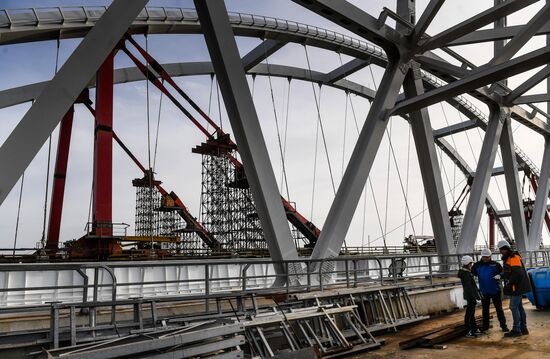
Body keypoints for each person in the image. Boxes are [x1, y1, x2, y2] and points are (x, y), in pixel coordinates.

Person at [497, 240, 532, 338]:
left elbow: (517, 273)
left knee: (513, 307)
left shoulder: (514, 257)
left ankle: (517, 329)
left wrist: (509, 284)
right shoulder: (508, 258)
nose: (501, 251)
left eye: (502, 249)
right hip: (517, 286)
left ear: (506, 248)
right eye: (500, 250)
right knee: (519, 307)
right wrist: (501, 275)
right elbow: (510, 272)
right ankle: (523, 328)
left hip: (516, 287)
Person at [472, 248, 509, 332]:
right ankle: (485, 326)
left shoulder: (495, 265)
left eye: (487, 257)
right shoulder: (477, 265)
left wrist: (500, 275)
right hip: (484, 291)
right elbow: (471, 272)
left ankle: (503, 326)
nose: (485, 258)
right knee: (485, 310)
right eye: (484, 257)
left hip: (495, 290)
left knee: (499, 309)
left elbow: (504, 272)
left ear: (490, 256)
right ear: (482, 256)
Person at [458, 255, 483, 338]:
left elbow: (472, 286)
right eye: (471, 264)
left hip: (470, 296)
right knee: (469, 314)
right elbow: (469, 287)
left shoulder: (467, 273)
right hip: (470, 296)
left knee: (471, 313)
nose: (472, 265)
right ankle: (468, 331)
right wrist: (474, 297)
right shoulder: (466, 274)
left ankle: (474, 329)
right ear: (468, 264)